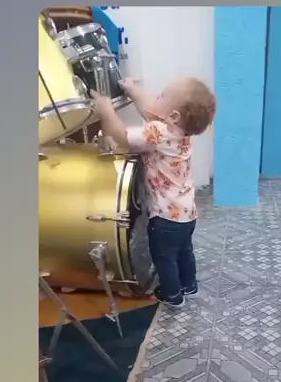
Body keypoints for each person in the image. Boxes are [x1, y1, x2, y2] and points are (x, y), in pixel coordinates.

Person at [91, 77, 216, 309]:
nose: (156, 98)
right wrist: (134, 90)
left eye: (161, 96)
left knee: (164, 258)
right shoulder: (182, 131)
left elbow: (123, 136)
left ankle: (172, 295)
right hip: (187, 214)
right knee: (184, 251)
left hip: (164, 219)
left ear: (174, 116)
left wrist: (106, 110)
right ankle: (189, 284)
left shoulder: (160, 132)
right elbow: (154, 112)